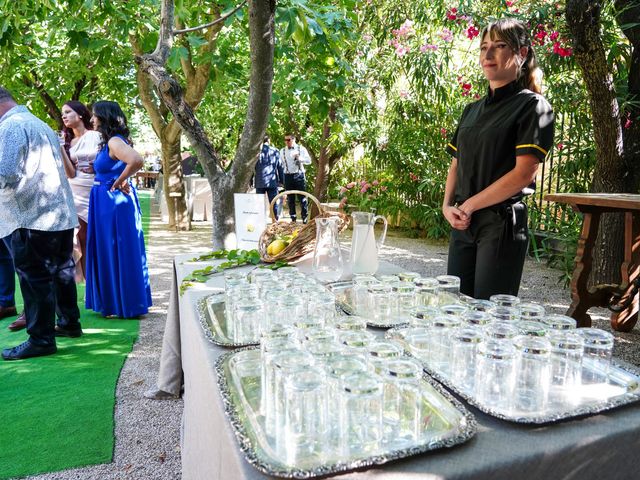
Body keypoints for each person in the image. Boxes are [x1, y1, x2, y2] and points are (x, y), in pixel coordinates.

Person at [442, 18, 555, 299]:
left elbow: (523, 174)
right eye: (483, 47)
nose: (488, 55)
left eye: (500, 46)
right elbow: (456, 163)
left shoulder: (533, 107)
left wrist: (469, 205)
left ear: (523, 53)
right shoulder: (471, 110)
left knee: (489, 318)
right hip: (462, 223)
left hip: (500, 225)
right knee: (454, 310)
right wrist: (447, 207)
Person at [0, 86, 81, 360]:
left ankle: (41, 339)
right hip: (58, 214)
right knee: (61, 271)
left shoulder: (10, 127)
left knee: (35, 279)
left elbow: (5, 174)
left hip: (30, 216)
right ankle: (70, 323)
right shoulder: (39, 123)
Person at [85, 100, 152, 318]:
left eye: (94, 116)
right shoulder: (109, 143)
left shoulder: (114, 141)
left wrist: (120, 181)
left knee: (116, 248)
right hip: (105, 201)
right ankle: (115, 302)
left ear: (105, 118)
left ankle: (125, 303)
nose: (91, 119)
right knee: (109, 248)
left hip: (113, 202)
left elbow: (136, 160)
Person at [60, 100, 102, 282]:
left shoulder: (96, 136)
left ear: (80, 114)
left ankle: (102, 280)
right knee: (81, 238)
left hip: (96, 187)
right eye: (63, 113)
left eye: (68, 112)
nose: (64, 116)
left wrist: (98, 167)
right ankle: (88, 282)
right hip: (75, 190)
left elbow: (107, 159)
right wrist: (60, 147)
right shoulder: (68, 141)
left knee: (100, 237)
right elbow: (69, 173)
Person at [280, 134, 311, 223]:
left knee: (302, 198)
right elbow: (281, 164)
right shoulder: (282, 151)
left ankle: (304, 218)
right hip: (287, 176)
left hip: (299, 175)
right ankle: (293, 219)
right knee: (290, 199)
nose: (287, 142)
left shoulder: (301, 149)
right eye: (285, 140)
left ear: (294, 139)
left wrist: (300, 158)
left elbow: (309, 161)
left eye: (288, 140)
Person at [255, 135, 284, 218]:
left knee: (259, 204)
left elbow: (252, 168)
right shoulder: (275, 151)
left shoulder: (256, 152)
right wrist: (282, 181)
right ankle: (275, 221)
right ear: (269, 140)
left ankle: (259, 220)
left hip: (259, 181)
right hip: (272, 181)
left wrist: (250, 181)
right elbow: (280, 167)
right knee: (273, 202)